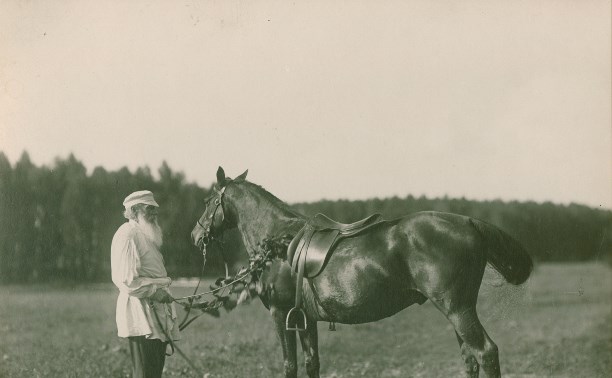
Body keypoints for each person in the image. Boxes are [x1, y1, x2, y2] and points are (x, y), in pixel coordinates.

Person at [111, 190, 180, 378]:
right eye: (149, 209)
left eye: (155, 208)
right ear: (133, 211)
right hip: (140, 310)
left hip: (155, 309)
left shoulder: (145, 234)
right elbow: (127, 280)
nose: (155, 213)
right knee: (145, 373)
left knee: (153, 372)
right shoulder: (128, 234)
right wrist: (155, 293)